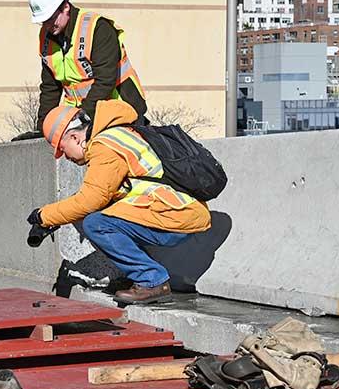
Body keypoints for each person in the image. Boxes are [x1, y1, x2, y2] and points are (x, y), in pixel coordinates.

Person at [27, 102, 210, 305]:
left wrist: (43, 216)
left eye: (63, 149)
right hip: (176, 210)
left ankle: (151, 280)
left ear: (74, 137)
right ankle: (138, 275)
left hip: (174, 214)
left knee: (96, 224)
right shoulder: (117, 134)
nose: (66, 157)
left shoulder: (104, 146)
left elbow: (89, 201)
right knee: (104, 216)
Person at [29, 0, 148, 130]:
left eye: (50, 19)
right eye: (43, 21)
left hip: (120, 111)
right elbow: (50, 88)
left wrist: (81, 119)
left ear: (65, 7)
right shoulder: (47, 37)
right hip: (83, 117)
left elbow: (105, 81)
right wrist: (43, 127)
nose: (47, 26)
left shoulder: (98, 29)